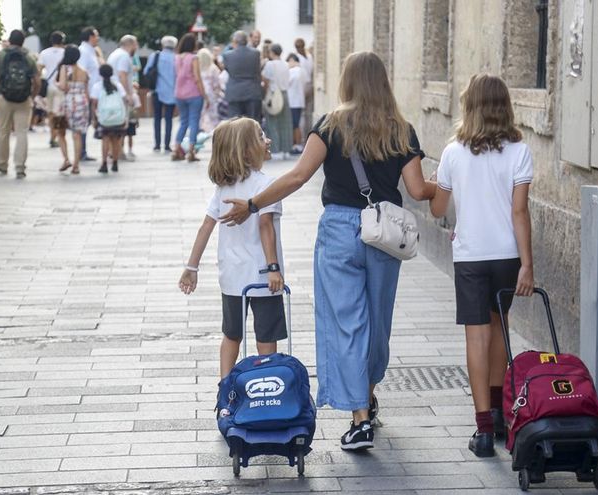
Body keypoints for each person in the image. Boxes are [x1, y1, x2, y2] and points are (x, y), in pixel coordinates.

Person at [219, 52, 437, 451]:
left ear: (348, 81)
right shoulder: (401, 129)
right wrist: (450, 182)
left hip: (339, 230)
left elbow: (299, 175)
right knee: (377, 321)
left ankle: (360, 420)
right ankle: (367, 399)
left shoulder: (331, 124)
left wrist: (252, 204)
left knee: (348, 323)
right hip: (384, 234)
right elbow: (419, 191)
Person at [429, 74, 535, 458]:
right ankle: (502, 416)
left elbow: (439, 207)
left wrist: (437, 186)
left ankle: (483, 429)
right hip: (507, 256)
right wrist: (527, 265)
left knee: (477, 337)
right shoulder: (519, 151)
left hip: (471, 257)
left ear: (469, 106)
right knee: (499, 328)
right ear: (504, 106)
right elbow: (520, 212)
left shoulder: (453, 153)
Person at [178, 117, 286, 379]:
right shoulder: (266, 184)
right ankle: (266, 384)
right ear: (247, 150)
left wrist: (191, 267)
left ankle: (224, 388)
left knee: (231, 335)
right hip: (263, 276)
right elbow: (265, 227)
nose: (267, 140)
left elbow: (206, 226)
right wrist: (273, 268)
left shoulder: (223, 188)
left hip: (232, 277)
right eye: (261, 137)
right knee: (266, 337)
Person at [0, 30, 41, 178]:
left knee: (3, 131)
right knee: (22, 132)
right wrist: (32, 95)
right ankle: (20, 167)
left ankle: (2, 164)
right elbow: (37, 81)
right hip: (24, 99)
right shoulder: (29, 57)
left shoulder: (0, 55)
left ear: (9, 40)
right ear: (23, 42)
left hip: (4, 97)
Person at [172, 33, 206, 162]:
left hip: (179, 94)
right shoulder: (194, 58)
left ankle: (176, 148)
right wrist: (204, 95)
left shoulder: (177, 58)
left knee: (183, 122)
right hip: (193, 93)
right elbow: (197, 78)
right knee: (194, 123)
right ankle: (191, 151)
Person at [90, 64, 128, 173]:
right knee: (116, 140)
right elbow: (124, 100)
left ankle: (104, 163)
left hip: (104, 118)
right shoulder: (117, 86)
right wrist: (125, 116)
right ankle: (115, 163)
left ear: (100, 74)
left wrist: (94, 118)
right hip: (118, 117)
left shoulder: (97, 86)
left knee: (105, 140)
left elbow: (94, 103)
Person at [57, 45, 89, 174]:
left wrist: (57, 84)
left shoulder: (65, 68)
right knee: (77, 135)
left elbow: (63, 86)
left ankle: (66, 159)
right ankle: (76, 165)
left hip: (66, 103)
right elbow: (87, 91)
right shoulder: (84, 71)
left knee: (60, 131)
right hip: (82, 103)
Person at [107, 35, 139, 161]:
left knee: (114, 123)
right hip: (120, 94)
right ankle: (118, 151)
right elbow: (122, 75)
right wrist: (128, 95)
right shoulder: (124, 56)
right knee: (121, 124)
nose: (136, 47)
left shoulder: (115, 54)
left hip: (113, 93)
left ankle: (113, 150)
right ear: (130, 44)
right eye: (136, 44)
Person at [144, 35, 177, 153]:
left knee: (157, 118)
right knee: (169, 119)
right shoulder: (176, 58)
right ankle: (167, 145)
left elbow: (146, 71)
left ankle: (157, 145)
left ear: (163, 45)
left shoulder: (155, 56)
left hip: (157, 91)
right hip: (172, 93)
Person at [221, 31, 262, 122]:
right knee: (253, 123)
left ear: (234, 42)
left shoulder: (227, 55)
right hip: (252, 91)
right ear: (247, 40)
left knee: (235, 124)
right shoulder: (255, 53)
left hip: (234, 92)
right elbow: (257, 70)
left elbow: (228, 70)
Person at [261, 44, 292, 159]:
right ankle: (286, 150)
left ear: (272, 52)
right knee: (286, 123)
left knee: (272, 122)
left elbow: (265, 79)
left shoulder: (270, 64)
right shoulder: (286, 64)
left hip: (273, 94)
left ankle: (275, 150)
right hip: (284, 93)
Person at [38, 31, 66, 149]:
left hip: (49, 86)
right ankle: (58, 136)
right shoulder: (65, 53)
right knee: (60, 113)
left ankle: (52, 136)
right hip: (61, 86)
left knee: (50, 113)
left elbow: (39, 69)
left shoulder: (44, 53)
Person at [78, 26, 101, 162]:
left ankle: (83, 150)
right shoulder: (84, 51)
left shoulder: (91, 51)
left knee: (88, 123)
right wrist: (86, 94)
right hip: (88, 93)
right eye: (96, 35)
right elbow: (82, 74)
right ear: (90, 37)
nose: (97, 38)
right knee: (84, 124)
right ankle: (81, 151)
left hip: (93, 92)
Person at [286, 53, 307, 155]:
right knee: (296, 123)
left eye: (289, 61)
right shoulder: (302, 71)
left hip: (293, 101)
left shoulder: (293, 71)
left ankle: (297, 145)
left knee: (294, 124)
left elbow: (287, 83)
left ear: (293, 60)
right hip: (299, 101)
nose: (288, 64)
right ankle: (297, 144)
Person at [198, 48, 223, 133]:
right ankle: (214, 130)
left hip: (199, 92)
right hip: (211, 92)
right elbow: (217, 83)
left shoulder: (197, 68)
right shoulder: (213, 68)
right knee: (212, 113)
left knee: (200, 113)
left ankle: (200, 129)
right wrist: (218, 92)